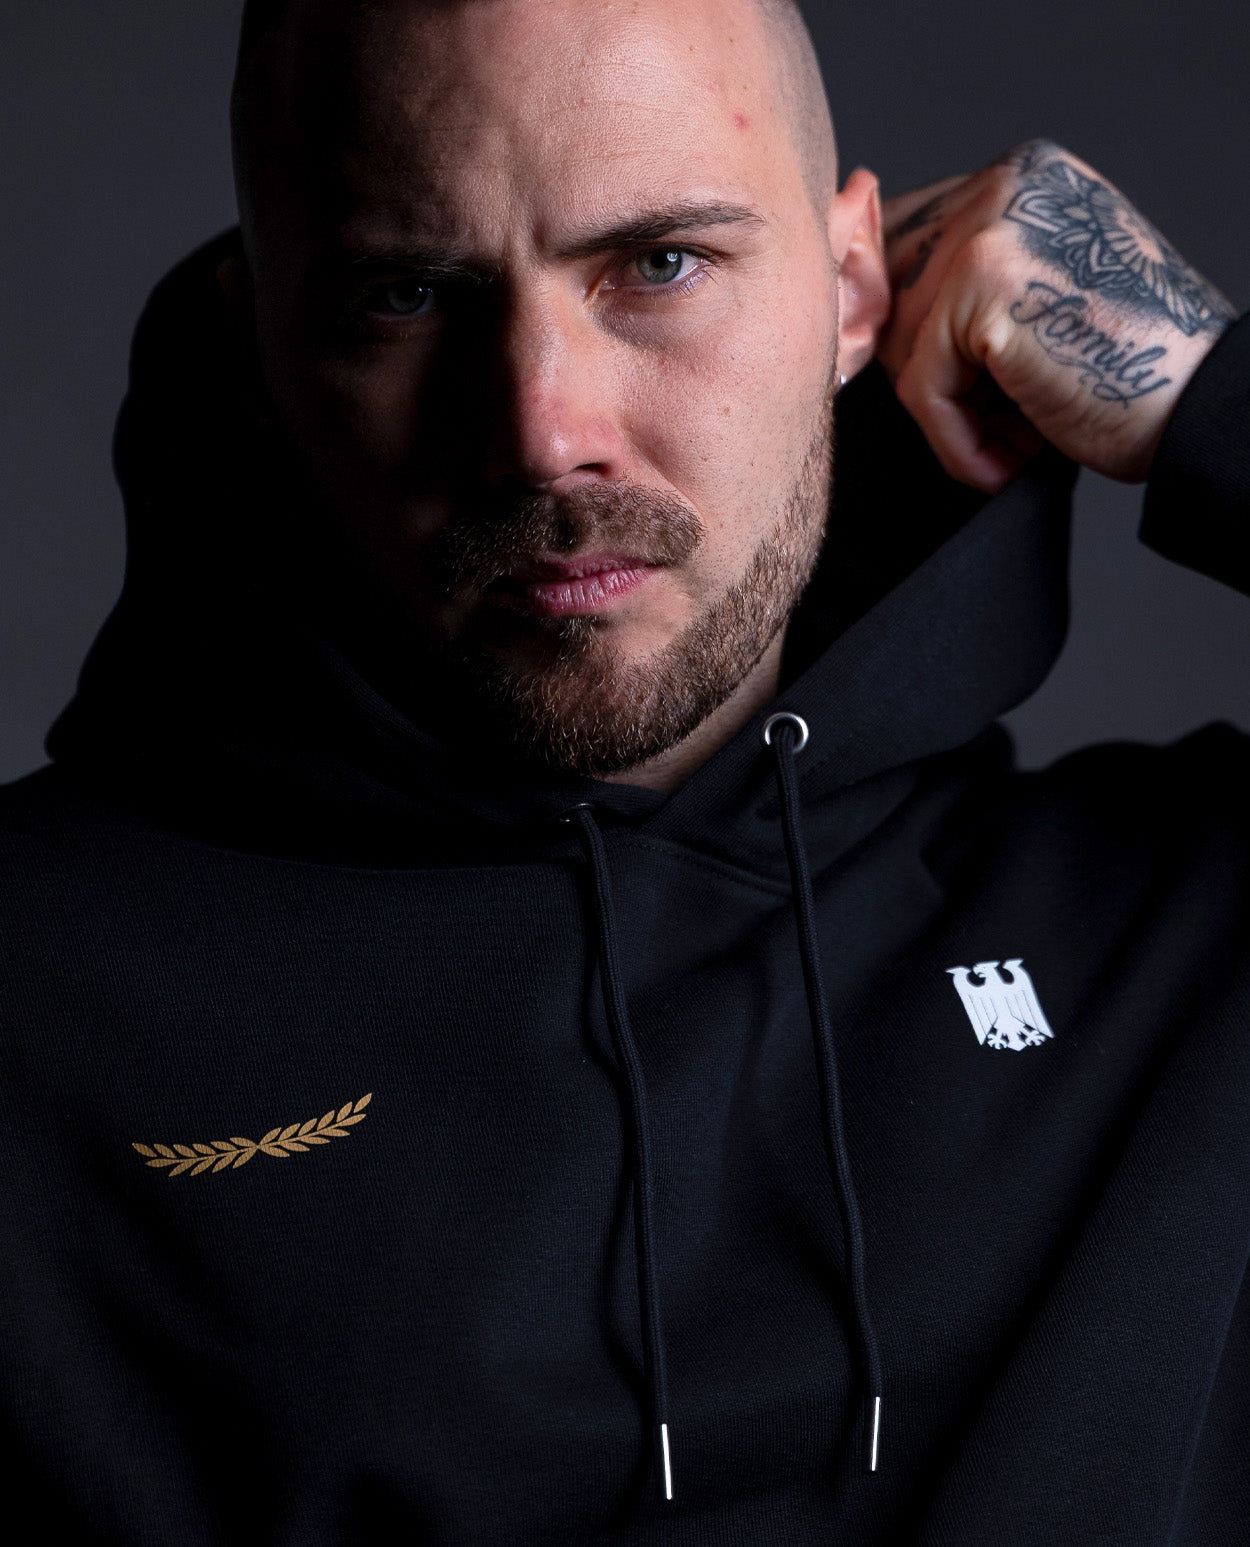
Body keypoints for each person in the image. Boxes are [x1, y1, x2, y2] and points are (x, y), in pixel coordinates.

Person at [2, 0, 1247, 1541]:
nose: (544, 434)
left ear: (849, 291)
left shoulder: (1178, 930)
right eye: (405, 296)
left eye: (659, 264)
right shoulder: (38, 1004)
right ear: (258, 348)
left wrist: (1211, 392)